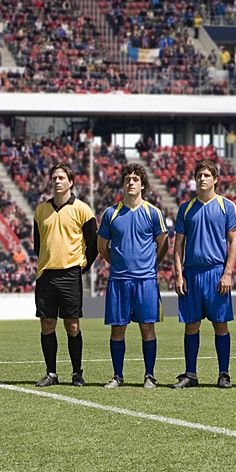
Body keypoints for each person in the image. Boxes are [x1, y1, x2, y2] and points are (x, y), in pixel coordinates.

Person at [97, 164, 168, 388]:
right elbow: (101, 247)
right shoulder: (111, 213)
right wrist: (118, 263)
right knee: (118, 328)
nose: (131, 182)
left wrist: (150, 264)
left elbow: (163, 244)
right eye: (127, 179)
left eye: (135, 179)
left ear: (142, 184)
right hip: (119, 280)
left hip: (146, 280)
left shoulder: (153, 212)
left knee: (147, 326)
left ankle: (149, 375)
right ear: (123, 183)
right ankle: (117, 376)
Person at [173, 159, 236, 389]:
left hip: (216, 273)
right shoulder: (186, 208)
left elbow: (234, 242)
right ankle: (191, 374)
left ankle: (224, 373)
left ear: (216, 179)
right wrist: (179, 275)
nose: (202, 179)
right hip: (192, 273)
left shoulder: (226, 206)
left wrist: (228, 272)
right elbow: (178, 246)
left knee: (220, 324)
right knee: (191, 324)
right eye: (199, 175)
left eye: (207, 175)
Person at [33, 162, 98, 387]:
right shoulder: (41, 210)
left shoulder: (82, 209)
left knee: (72, 324)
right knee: (47, 323)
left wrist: (82, 267)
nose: (57, 181)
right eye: (54, 178)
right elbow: (37, 244)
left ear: (71, 182)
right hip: (46, 275)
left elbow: (93, 244)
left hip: (70, 275)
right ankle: (51, 373)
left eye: (61, 178)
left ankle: (76, 373)